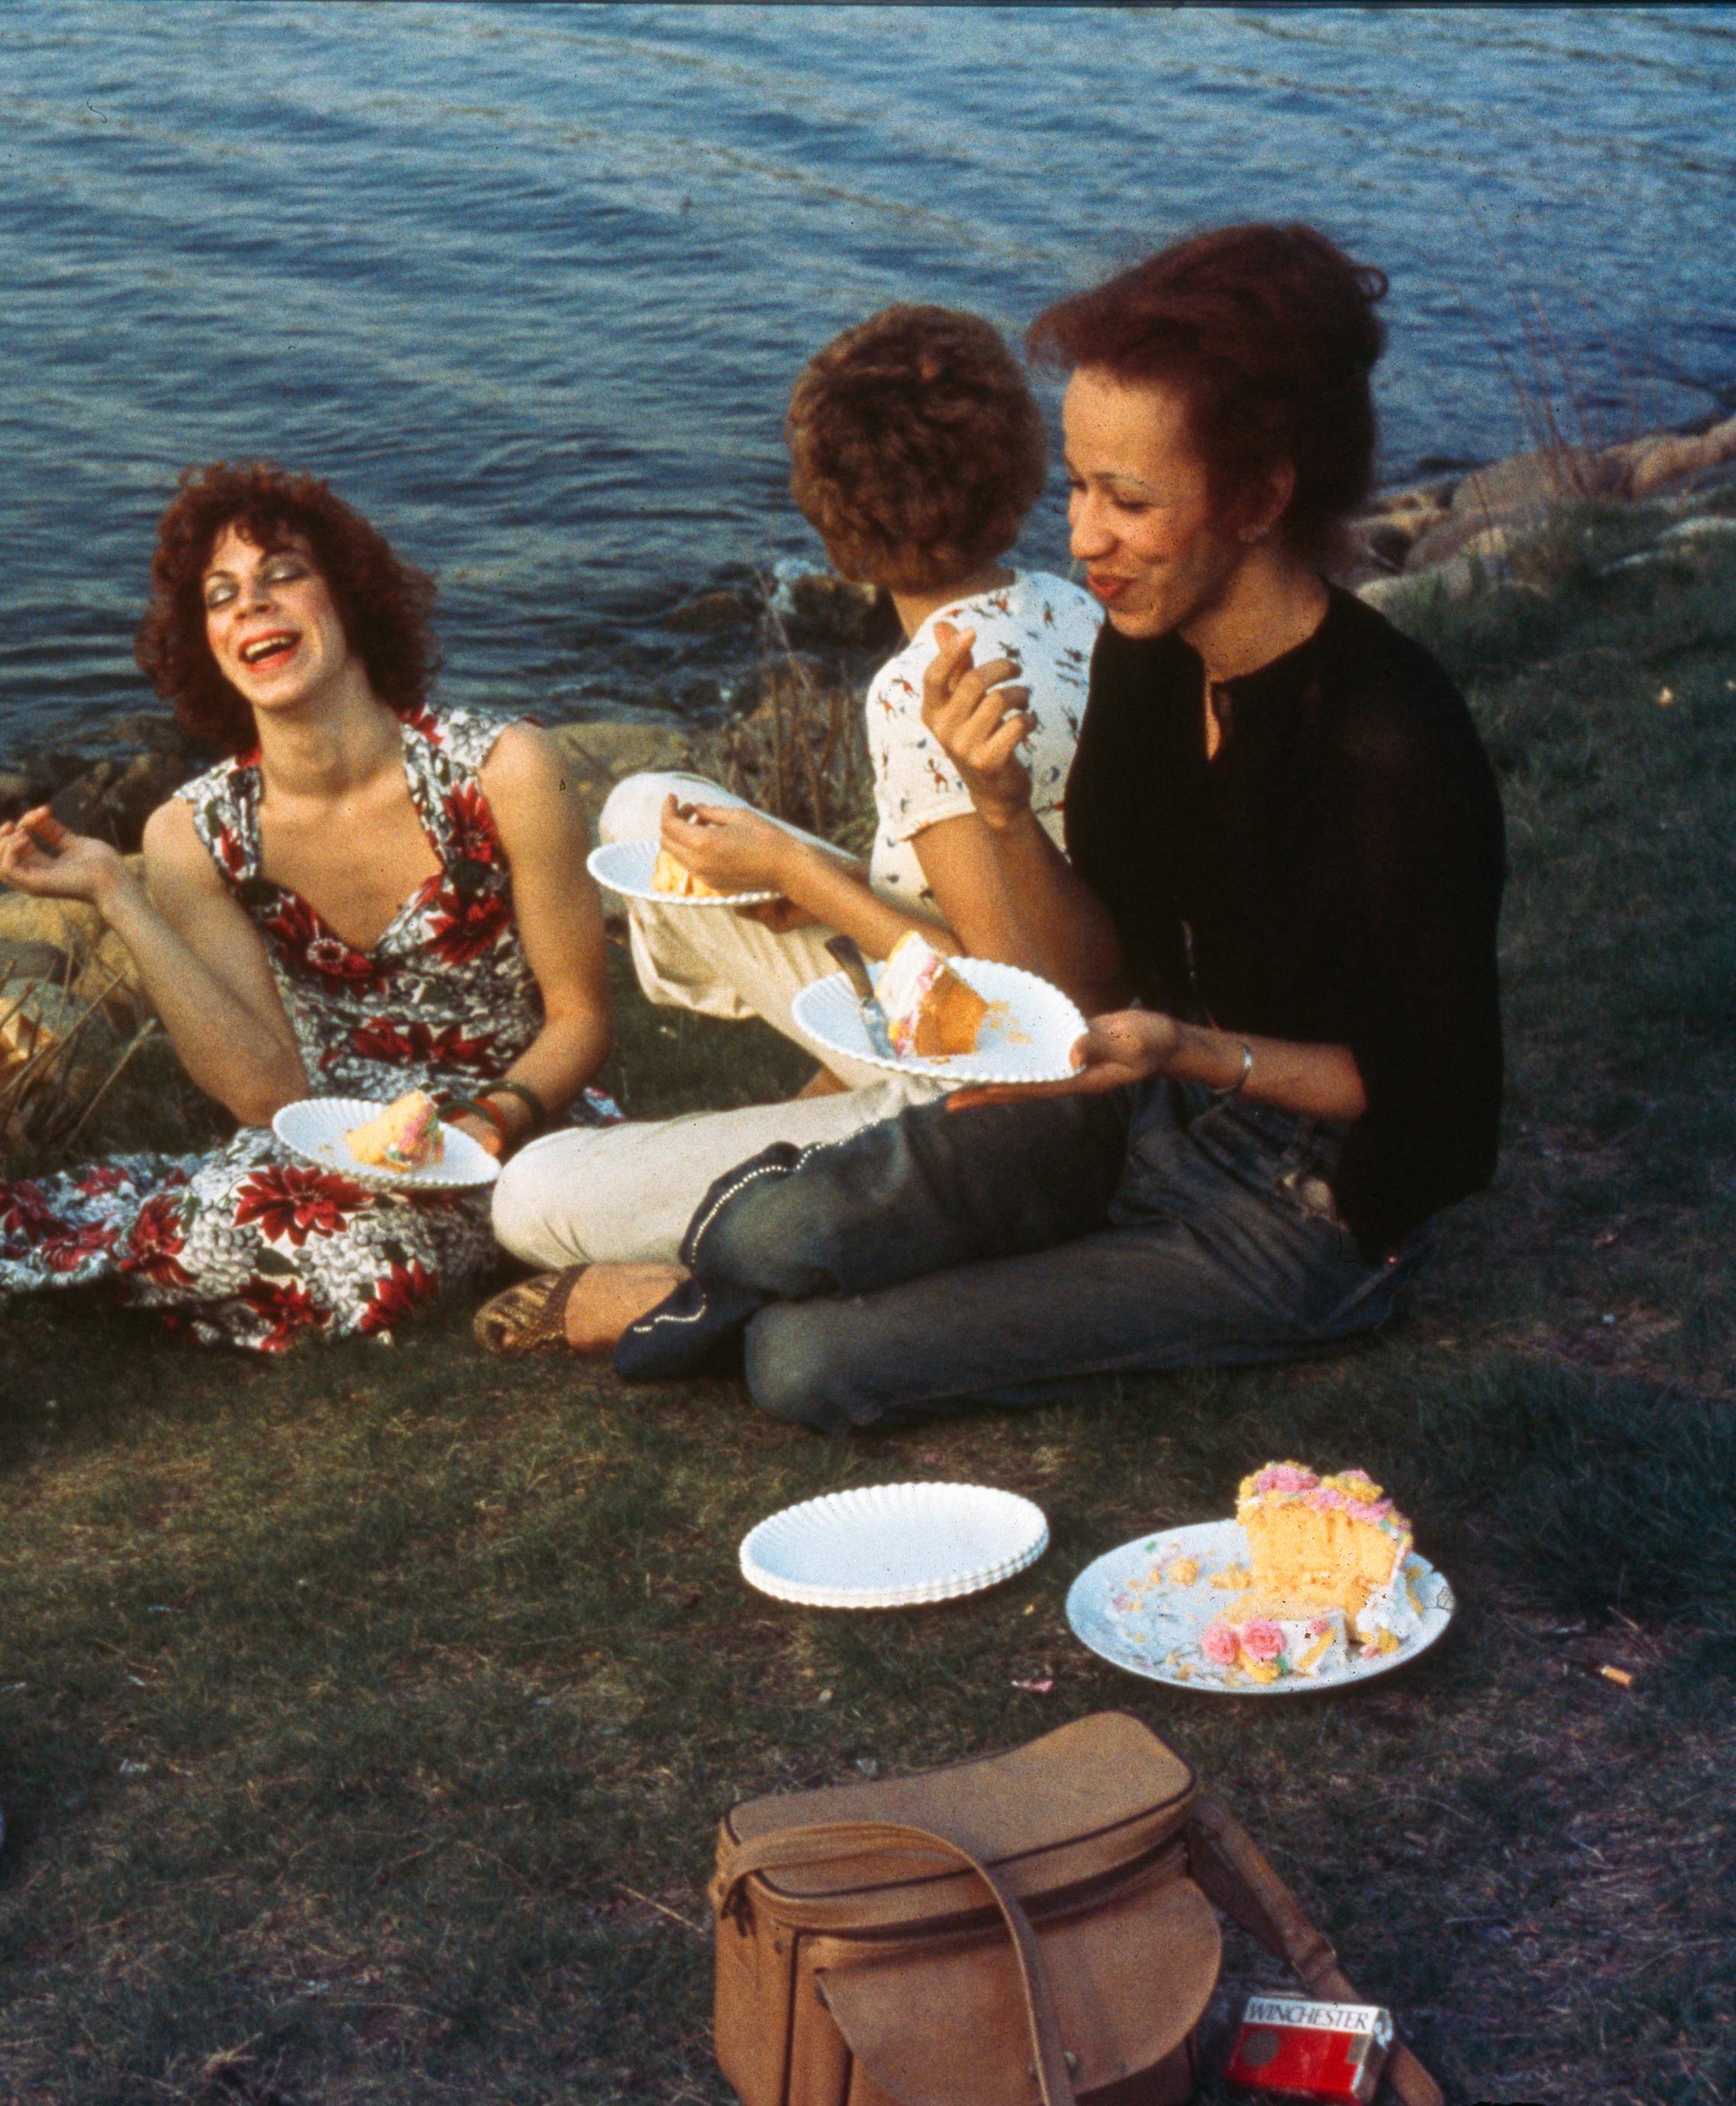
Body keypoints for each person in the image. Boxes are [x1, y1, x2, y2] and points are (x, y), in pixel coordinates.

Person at [579, 224, 1503, 1430]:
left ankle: (761, 1294)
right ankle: (755, 1264)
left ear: (1263, 496)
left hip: (1315, 1211)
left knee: (805, 1364)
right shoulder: (1147, 657)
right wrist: (1007, 814)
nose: (1081, 541)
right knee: (776, 1227)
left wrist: (1187, 1050)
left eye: (1130, 501)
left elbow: (1441, 1118)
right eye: (1076, 487)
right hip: (1149, 1105)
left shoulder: (1392, 741)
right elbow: (1091, 976)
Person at [482, 304, 1103, 1350]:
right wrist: (802, 876)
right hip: (1003, 1002)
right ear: (1021, 466)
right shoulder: (1067, 607)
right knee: (649, 810)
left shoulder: (920, 690)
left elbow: (1013, 1016)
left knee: (530, 1195)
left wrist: (797, 874)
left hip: (992, 1090)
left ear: (837, 524)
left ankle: (736, 1237)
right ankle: (811, 1105)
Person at [0, 462, 615, 1350]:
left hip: (522, 1120)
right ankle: (193, 1252)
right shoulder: (191, 833)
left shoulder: (504, 768)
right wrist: (118, 898)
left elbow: (582, 1015)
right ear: (206, 642)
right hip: (326, 1146)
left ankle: (172, 1274)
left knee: (355, 1262)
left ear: (350, 600)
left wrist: (490, 1120)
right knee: (255, 1214)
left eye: (284, 575)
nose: (252, 606)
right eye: (221, 595)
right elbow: (265, 1091)